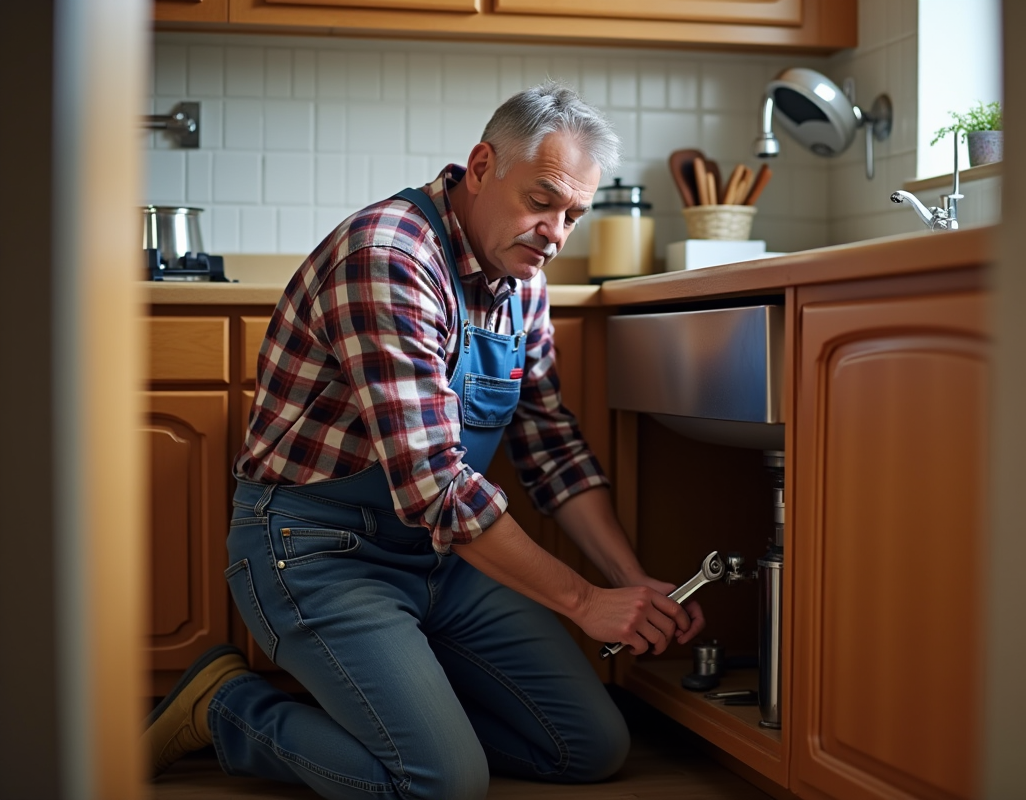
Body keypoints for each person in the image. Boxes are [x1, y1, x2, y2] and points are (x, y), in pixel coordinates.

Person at [142, 82, 706, 800]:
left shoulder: (522, 277)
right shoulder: (389, 256)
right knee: (438, 785)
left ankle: (400, 716)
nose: (555, 233)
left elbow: (551, 449)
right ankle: (229, 707)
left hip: (442, 557)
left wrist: (627, 581)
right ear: (480, 167)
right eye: (542, 200)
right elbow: (436, 483)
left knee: (589, 747)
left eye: (573, 215)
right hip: (318, 550)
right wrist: (582, 601)